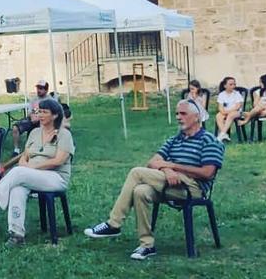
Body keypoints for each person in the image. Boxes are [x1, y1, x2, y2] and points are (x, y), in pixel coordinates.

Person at [84, 99, 224, 260]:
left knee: (136, 172)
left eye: (183, 113)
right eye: (177, 113)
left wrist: (173, 166)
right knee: (140, 191)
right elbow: (152, 162)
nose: (178, 117)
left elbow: (207, 173)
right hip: (170, 183)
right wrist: (167, 170)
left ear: (197, 117)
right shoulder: (175, 139)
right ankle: (147, 245)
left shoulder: (209, 140)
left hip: (193, 188)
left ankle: (114, 223)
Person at [0, 98, 72, 246]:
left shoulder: (64, 134)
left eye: (44, 112)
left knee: (18, 172)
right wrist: (27, 168)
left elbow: (58, 161)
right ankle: (17, 234)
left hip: (56, 177)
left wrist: (32, 168)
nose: (40, 115)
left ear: (54, 115)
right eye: (38, 111)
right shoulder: (35, 133)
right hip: (31, 175)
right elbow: (24, 158)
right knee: (17, 188)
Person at [11, 79, 58, 154]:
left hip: (44, 121)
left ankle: (42, 148)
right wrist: (32, 116)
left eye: (41, 88)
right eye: (37, 88)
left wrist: (39, 118)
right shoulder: (34, 99)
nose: (38, 90)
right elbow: (30, 112)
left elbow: (53, 115)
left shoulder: (51, 101)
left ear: (46, 90)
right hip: (32, 119)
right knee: (15, 128)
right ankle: (16, 150)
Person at [214, 77, 243, 142]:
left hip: (236, 112)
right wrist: (224, 112)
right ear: (225, 86)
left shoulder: (236, 94)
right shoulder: (221, 95)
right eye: (231, 84)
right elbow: (220, 108)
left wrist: (228, 112)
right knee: (218, 116)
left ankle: (222, 134)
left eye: (234, 84)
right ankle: (224, 134)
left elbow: (238, 106)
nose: (233, 86)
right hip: (225, 111)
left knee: (231, 115)